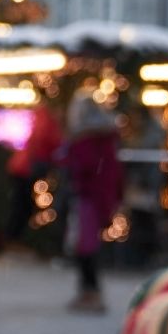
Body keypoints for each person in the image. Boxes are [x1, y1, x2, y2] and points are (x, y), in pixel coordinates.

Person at [60, 91, 124, 313]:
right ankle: (89, 291)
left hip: (88, 197)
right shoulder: (104, 139)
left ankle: (90, 292)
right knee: (86, 245)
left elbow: (83, 167)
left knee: (85, 246)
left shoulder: (87, 140)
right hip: (98, 197)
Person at [4, 100, 61, 246]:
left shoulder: (40, 117)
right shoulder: (47, 120)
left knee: (22, 204)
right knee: (24, 205)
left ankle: (14, 239)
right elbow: (48, 142)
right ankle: (15, 239)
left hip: (23, 167)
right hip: (28, 168)